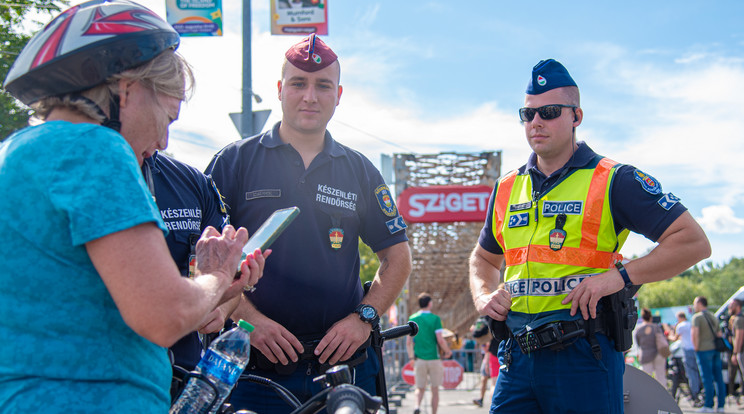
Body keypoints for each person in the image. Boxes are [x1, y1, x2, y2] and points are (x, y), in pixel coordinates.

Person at [0, 2, 266, 412]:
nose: (163, 142)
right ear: (129, 90)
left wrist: (211, 294)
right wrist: (215, 275)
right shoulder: (94, 148)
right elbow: (164, 313)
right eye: (168, 117)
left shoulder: (20, 153)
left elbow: (99, 309)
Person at [468, 58, 711, 413]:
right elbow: (484, 259)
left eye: (549, 112)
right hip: (516, 356)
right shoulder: (507, 187)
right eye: (527, 113)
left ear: (576, 117)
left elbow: (693, 241)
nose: (536, 122)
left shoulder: (615, 179)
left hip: (583, 355)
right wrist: (483, 295)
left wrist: (619, 277)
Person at [205, 34, 412, 413]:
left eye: (323, 85)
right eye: (298, 83)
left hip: (344, 370)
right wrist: (248, 321)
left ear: (339, 94)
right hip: (252, 369)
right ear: (281, 89)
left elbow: (397, 257)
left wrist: (363, 318)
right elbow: (204, 261)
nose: (310, 96)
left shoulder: (360, 171)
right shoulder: (234, 162)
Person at [143, 151, 256, 399]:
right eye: (163, 116)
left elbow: (226, 284)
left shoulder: (191, 181)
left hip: (187, 386)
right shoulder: (99, 175)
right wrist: (216, 283)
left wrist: (221, 307)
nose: (162, 140)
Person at [407, 293, 452, 414]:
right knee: (435, 389)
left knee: (419, 388)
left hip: (419, 359)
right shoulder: (435, 319)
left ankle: (417, 406)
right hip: (434, 358)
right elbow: (440, 339)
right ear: (429, 303)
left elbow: (408, 342)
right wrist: (447, 351)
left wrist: (411, 357)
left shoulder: (412, 318)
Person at [691, 296, 726, 412]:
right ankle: (721, 406)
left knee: (707, 379)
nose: (694, 305)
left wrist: (696, 348)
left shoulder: (697, 317)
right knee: (719, 378)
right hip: (715, 349)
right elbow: (719, 333)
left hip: (703, 350)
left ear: (700, 303)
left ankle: (709, 405)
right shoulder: (713, 316)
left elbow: (695, 334)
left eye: (695, 303)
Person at [674, 311, 703, 406]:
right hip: (695, 349)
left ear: (680, 318)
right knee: (697, 371)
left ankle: (694, 393)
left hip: (687, 350)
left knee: (691, 373)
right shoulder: (691, 323)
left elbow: (675, 338)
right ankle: (699, 391)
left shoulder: (681, 326)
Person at [634, 308, 667, 386]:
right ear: (651, 317)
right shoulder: (656, 327)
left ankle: (648, 397)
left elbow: (638, 343)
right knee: (661, 377)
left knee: (646, 379)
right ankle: (663, 396)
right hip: (659, 354)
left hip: (646, 355)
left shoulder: (639, 329)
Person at [728, 299, 744, 404]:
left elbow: (739, 337)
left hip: (741, 351)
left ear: (737, 306)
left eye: (731, 305)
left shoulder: (739, 319)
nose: (729, 307)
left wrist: (735, 353)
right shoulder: (736, 319)